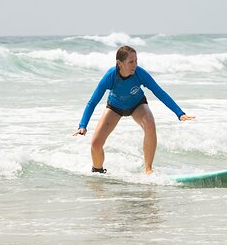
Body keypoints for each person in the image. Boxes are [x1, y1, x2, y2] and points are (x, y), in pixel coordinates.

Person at [74, 45, 194, 174]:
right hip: (115, 107)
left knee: (149, 124)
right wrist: (83, 125)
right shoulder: (110, 76)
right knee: (95, 144)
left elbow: (160, 92)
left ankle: (148, 169)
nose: (135, 65)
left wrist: (179, 113)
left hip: (137, 105)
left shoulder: (140, 74)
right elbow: (92, 102)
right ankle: (98, 171)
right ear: (119, 63)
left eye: (136, 61)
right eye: (131, 62)